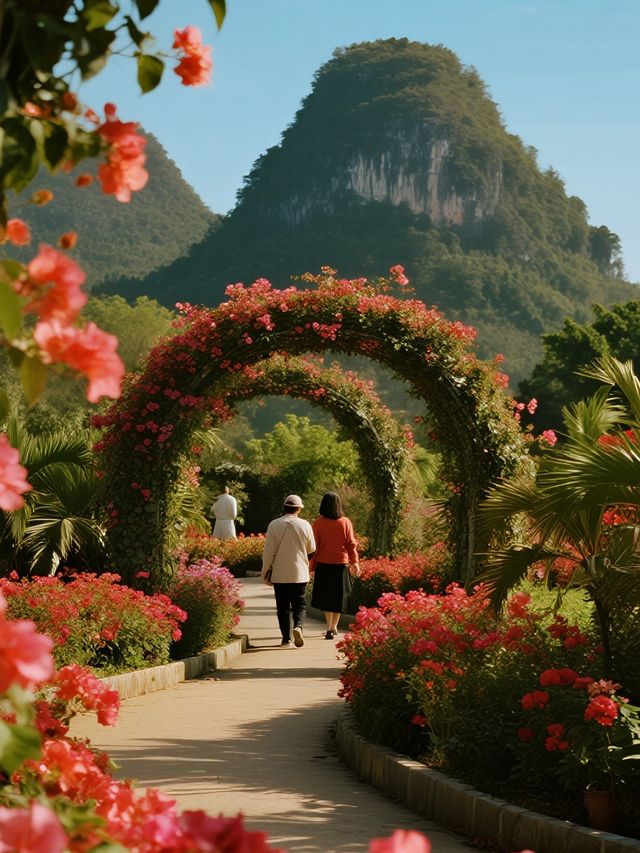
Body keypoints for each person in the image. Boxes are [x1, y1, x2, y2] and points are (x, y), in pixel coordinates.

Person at [261, 494, 315, 648]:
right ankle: (298, 627)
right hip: (300, 573)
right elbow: (312, 550)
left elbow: (268, 552)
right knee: (300, 604)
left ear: (284, 508)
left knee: (283, 607)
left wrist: (265, 571)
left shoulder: (273, 525)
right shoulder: (305, 525)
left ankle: (286, 639)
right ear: (299, 509)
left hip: (279, 573)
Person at [309, 492, 359, 640]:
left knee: (325, 597)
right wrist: (355, 561)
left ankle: (329, 626)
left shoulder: (318, 523)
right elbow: (351, 544)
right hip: (341, 564)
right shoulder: (345, 522)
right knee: (338, 597)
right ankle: (334, 626)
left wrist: (311, 568)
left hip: (323, 564)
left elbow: (314, 548)